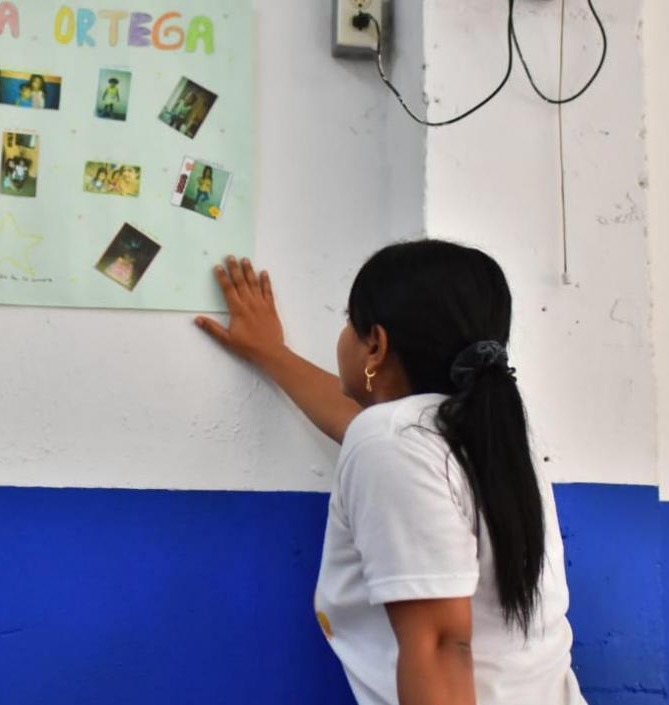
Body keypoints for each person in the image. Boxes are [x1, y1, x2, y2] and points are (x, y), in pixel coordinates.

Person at [194, 242, 586, 705]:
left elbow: (439, 646)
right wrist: (271, 353)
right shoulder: (485, 431)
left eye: (349, 320)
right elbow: (368, 428)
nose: (343, 333)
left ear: (375, 345)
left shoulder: (393, 439)